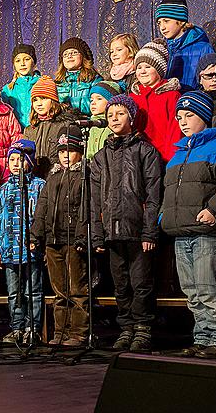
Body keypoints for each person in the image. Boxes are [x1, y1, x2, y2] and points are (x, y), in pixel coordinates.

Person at [161, 91, 216, 359]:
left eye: (189, 115)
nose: (183, 121)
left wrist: (214, 209)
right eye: (179, 117)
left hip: (208, 230)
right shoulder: (179, 153)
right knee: (192, 291)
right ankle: (205, 337)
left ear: (204, 116)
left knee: (208, 286)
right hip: (182, 231)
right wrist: (164, 217)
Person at [90, 94, 162, 352]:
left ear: (131, 117)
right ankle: (126, 328)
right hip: (112, 231)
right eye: (110, 115)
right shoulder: (100, 157)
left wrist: (150, 232)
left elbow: (154, 195)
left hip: (137, 230)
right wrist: (98, 234)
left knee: (141, 282)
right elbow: (95, 201)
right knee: (120, 284)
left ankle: (142, 328)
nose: (114, 119)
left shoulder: (145, 151)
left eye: (120, 114)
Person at [30, 132, 89, 346]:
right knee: (59, 290)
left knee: (77, 289)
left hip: (74, 239)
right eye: (62, 151)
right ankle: (61, 332)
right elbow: (42, 207)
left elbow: (87, 209)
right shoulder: (53, 178)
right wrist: (36, 234)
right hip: (53, 240)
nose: (66, 156)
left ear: (80, 153)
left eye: (71, 151)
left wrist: (83, 237)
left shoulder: (85, 176)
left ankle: (79, 332)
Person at [0, 139, 45, 344]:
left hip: (31, 250)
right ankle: (17, 327)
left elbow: (42, 218)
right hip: (9, 249)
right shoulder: (3, 189)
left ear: (29, 161)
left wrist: (39, 242)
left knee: (32, 290)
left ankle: (32, 327)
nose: (16, 163)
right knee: (14, 292)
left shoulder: (39, 185)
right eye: (12, 159)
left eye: (20, 159)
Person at [130, 40, 183, 162]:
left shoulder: (171, 96)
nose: (142, 71)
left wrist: (170, 159)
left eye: (148, 67)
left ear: (159, 70)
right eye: (139, 67)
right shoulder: (133, 97)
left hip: (163, 157)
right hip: (138, 159)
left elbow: (175, 130)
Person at [23, 75, 81, 178]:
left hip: (57, 178)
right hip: (34, 180)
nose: (39, 104)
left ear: (53, 100)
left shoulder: (66, 125)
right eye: (35, 100)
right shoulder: (30, 129)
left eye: (44, 98)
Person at [155, 0, 215, 91]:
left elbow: (211, 83)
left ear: (181, 21)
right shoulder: (163, 49)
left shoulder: (204, 48)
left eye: (166, 21)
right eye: (159, 23)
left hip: (192, 103)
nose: (162, 27)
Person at [55, 37, 101, 115]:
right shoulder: (57, 82)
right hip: (63, 124)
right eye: (65, 54)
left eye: (74, 52)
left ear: (83, 56)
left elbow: (100, 105)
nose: (69, 56)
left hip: (87, 123)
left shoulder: (94, 79)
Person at [1, 44, 41, 129]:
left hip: (40, 132)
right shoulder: (8, 90)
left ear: (33, 62)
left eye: (26, 59)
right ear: (14, 65)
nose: (22, 64)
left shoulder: (42, 84)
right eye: (18, 61)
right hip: (17, 135)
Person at [86, 80, 122, 158]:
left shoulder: (114, 124)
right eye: (91, 100)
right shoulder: (89, 125)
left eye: (99, 99)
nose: (93, 103)